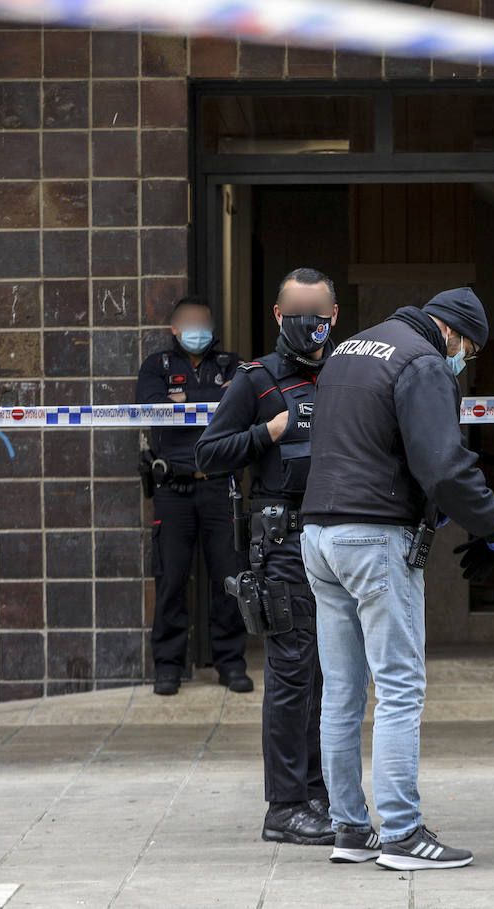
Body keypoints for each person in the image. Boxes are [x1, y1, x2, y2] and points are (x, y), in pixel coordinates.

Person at [301, 287, 494, 870]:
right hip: (373, 539)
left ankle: (350, 828)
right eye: (467, 353)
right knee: (399, 689)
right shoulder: (423, 361)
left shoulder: (350, 348)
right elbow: (444, 463)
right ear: (452, 333)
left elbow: (370, 445)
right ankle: (402, 834)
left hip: (320, 534)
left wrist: (433, 508)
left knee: (343, 692)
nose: (463, 363)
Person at [195, 268, 339, 847]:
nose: (311, 324)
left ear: (335, 315)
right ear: (279, 316)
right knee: (291, 676)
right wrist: (267, 434)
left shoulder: (348, 372)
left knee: (331, 678)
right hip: (283, 547)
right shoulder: (254, 381)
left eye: (320, 314)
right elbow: (208, 452)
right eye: (298, 313)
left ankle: (320, 793)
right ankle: (285, 806)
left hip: (338, 544)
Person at [135, 295, 249, 696]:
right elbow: (149, 407)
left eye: (204, 322)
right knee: (170, 579)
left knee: (229, 578)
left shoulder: (231, 366)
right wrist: (215, 403)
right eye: (189, 323)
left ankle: (231, 663)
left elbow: (243, 406)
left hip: (220, 486)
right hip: (174, 489)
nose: (197, 330)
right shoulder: (157, 367)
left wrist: (183, 403)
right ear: (174, 328)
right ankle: (168, 667)